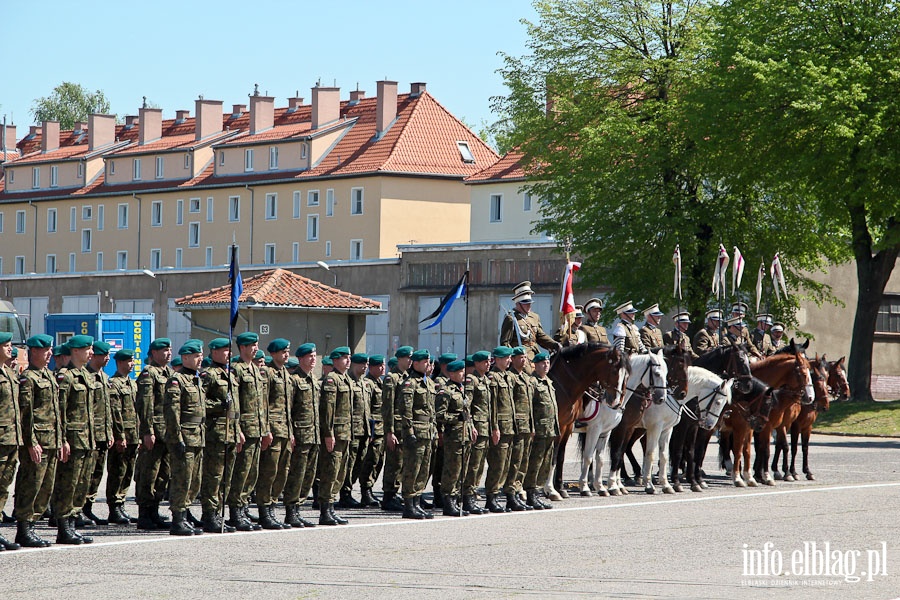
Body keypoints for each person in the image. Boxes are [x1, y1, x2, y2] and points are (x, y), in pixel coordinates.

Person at [13, 334, 59, 548]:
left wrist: (61, 440)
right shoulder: (28, 378)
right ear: (33, 352)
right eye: (45, 350)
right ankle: (24, 528)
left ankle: (32, 525)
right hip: (38, 441)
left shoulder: (48, 376)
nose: (49, 353)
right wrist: (31, 442)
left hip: (51, 440)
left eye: (50, 349)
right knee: (30, 485)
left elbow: (56, 413)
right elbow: (26, 413)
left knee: (45, 487)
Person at [51, 335, 96, 545]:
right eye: (87, 349)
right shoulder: (65, 377)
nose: (91, 353)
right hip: (73, 439)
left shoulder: (85, 376)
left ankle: (72, 523)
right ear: (75, 351)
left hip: (87, 439)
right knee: (67, 484)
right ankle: (63, 527)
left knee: (81, 483)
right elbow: (59, 411)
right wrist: (63, 440)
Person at [226, 332, 269, 532]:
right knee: (241, 473)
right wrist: (237, 429)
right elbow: (234, 403)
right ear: (242, 347)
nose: (255, 348)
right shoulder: (236, 370)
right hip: (244, 429)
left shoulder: (255, 370)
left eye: (256, 344)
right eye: (251, 345)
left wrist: (265, 429)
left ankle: (243, 507)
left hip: (257, 429)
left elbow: (262, 404)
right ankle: (235, 511)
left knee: (252, 472)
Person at [198, 338, 241, 533]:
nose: (228, 354)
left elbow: (235, 407)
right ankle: (209, 514)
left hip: (230, 430)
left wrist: (238, 429)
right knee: (214, 475)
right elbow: (199, 401)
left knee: (226, 477)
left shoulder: (230, 374)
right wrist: (218, 406)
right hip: (216, 431)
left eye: (229, 351)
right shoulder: (209, 375)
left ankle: (218, 514)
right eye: (224, 351)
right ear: (214, 352)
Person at [164, 339, 206, 536]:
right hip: (184, 437)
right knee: (182, 478)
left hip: (198, 436)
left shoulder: (196, 379)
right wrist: (176, 438)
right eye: (197, 356)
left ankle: (185, 514)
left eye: (201, 355)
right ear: (185, 357)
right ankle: (178, 518)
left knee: (194, 480)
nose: (200, 359)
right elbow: (173, 412)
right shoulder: (176, 380)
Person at [134, 337, 174, 530]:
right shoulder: (149, 374)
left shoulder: (168, 373)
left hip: (167, 432)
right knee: (149, 472)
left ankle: (154, 510)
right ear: (154, 353)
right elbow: (145, 405)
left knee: (163, 474)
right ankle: (145, 513)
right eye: (164, 350)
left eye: (170, 350)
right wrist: (147, 431)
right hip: (155, 431)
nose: (168, 353)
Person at [257, 338, 293, 529]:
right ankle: (264, 510)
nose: (286, 355)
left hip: (285, 430)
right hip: (273, 430)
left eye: (287, 351)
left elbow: (288, 407)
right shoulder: (267, 373)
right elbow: (263, 404)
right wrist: (266, 430)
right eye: (282, 352)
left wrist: (292, 432)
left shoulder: (286, 374)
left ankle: (272, 506)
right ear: (273, 354)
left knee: (282, 472)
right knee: (269, 471)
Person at [282, 342, 319, 528]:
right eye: (309, 357)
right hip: (300, 434)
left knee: (308, 475)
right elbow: (288, 409)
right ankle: (290, 511)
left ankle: (299, 509)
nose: (313, 359)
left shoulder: (313, 379)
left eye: (314, 356)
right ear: (301, 359)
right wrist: (290, 433)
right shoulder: (294, 380)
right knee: (296, 474)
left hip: (313, 434)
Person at [398, 349, 436, 519]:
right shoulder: (409, 384)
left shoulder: (428, 383)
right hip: (416, 430)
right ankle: (408, 504)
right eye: (425, 361)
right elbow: (406, 411)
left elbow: (432, 410)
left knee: (423, 469)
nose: (428, 364)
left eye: (428, 361)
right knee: (412, 469)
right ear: (416, 363)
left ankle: (417, 501)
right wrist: (409, 431)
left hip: (427, 431)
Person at [317, 346, 353, 525]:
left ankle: (331, 508)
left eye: (349, 357)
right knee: (330, 471)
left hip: (345, 433)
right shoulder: (332, 379)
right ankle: (325, 510)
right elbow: (327, 410)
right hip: (336, 434)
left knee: (340, 472)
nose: (348, 361)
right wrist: (328, 433)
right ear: (336, 360)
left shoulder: (346, 379)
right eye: (345, 358)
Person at [105, 349, 140, 525]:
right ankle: (114, 506)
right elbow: (115, 412)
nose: (131, 364)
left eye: (132, 361)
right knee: (117, 471)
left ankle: (122, 503)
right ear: (119, 363)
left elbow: (137, 412)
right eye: (128, 361)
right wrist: (119, 436)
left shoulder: (132, 384)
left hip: (134, 434)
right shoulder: (114, 384)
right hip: (123, 435)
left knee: (128, 472)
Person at [435, 359, 474, 516]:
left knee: (462, 470)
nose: (463, 374)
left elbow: (467, 414)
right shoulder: (446, 392)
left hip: (465, 435)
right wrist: (456, 418)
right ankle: (448, 500)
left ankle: (457, 498)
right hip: (454, 436)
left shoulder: (462, 389)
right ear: (451, 373)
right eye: (460, 372)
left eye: (463, 371)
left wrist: (471, 427)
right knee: (452, 470)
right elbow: (439, 415)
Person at [82, 341, 114, 526]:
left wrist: (109, 432)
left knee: (96, 474)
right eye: (104, 354)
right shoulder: (86, 376)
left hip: (103, 433)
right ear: (94, 356)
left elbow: (107, 409)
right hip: (90, 435)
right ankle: (79, 509)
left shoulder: (103, 377)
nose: (107, 358)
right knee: (85, 474)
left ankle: (88, 508)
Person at [524, 352, 559, 510]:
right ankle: (531, 493)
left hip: (550, 429)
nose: (546, 365)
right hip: (539, 429)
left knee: (545, 463)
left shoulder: (549, 382)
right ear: (535, 365)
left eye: (547, 363)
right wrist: (531, 428)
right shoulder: (533, 382)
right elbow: (528, 408)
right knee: (535, 462)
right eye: (542, 363)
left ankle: (537, 491)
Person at [380, 346, 412, 512]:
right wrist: (389, 431)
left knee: (401, 463)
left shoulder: (407, 377)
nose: (410, 360)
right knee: (393, 462)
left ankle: (395, 492)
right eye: (407, 357)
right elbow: (388, 407)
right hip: (395, 427)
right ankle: (388, 495)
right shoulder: (391, 378)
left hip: (404, 428)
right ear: (399, 359)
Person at [484, 346, 516, 513]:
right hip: (500, 428)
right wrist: (495, 427)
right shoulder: (493, 377)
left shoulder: (508, 377)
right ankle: (491, 497)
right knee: (497, 464)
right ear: (497, 359)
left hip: (510, 427)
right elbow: (493, 405)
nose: (510, 360)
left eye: (510, 358)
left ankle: (501, 495)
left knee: (506, 465)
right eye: (507, 358)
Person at [0, 332, 23, 550]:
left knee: (3, 486)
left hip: (11, 438)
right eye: (6, 345)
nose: (10, 349)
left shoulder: (8, 374)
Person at [461, 350, 491, 515]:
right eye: (485, 362)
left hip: (485, 428)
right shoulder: (471, 380)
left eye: (488, 361)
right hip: (476, 429)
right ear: (477, 363)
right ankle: (467, 497)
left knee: (479, 466)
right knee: (472, 465)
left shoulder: (485, 380)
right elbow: (467, 406)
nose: (487, 364)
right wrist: (470, 425)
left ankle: (472, 494)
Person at [500, 281, 562, 361]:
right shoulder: (511, 318)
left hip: (535, 353)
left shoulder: (534, 317)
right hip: (520, 357)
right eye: (526, 303)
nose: (529, 305)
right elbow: (505, 343)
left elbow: (541, 336)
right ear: (518, 304)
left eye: (530, 302)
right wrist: (514, 357)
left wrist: (555, 344)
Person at [339, 353, 370, 509]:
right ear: (353, 365)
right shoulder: (348, 382)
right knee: (348, 463)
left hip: (364, 429)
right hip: (351, 430)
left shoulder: (365, 384)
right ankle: (344, 493)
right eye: (361, 364)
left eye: (366, 364)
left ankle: (350, 490)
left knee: (359, 463)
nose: (364, 366)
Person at [505, 346, 534, 511]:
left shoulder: (526, 378)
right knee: (514, 462)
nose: (524, 359)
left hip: (526, 426)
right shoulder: (510, 378)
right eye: (520, 357)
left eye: (525, 357)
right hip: (515, 426)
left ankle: (517, 491)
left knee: (523, 462)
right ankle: (510, 495)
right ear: (513, 359)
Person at [359, 354, 386, 508]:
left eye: (383, 365)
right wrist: (370, 430)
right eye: (379, 366)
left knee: (378, 461)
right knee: (370, 460)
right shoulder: (368, 383)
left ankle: (370, 489)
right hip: (374, 427)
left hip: (382, 427)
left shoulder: (379, 382)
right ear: (372, 367)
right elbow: (367, 409)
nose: (382, 368)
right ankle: (366, 490)